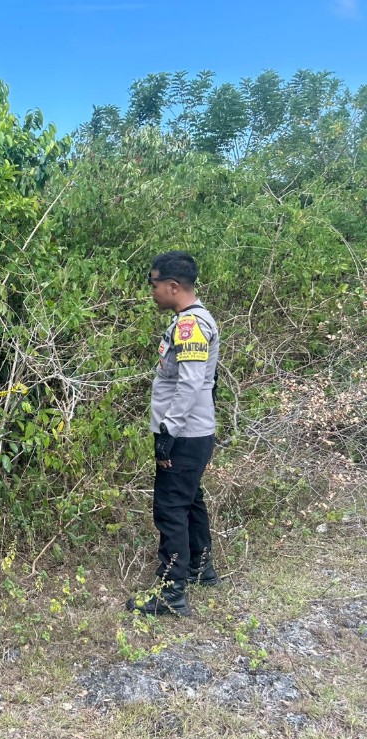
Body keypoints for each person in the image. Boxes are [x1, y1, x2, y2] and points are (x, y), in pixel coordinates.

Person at [128, 251, 221, 616]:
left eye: (153, 285)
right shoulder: (192, 321)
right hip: (194, 431)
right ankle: (201, 569)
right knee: (190, 500)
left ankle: (171, 592)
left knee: (170, 508)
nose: (151, 292)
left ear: (172, 286)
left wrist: (167, 431)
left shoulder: (190, 325)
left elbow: (191, 385)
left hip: (184, 434)